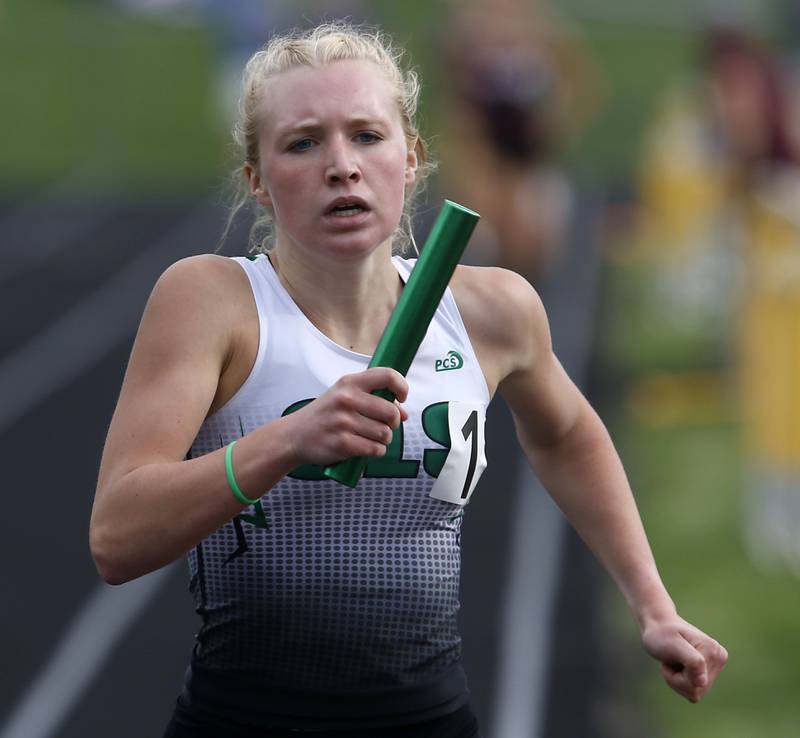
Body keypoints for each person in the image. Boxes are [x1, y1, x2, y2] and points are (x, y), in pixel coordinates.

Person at [89, 22, 728, 738]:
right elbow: (117, 536)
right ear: (257, 181)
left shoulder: (490, 311)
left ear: (412, 157)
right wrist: (287, 441)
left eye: (367, 135)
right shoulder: (212, 302)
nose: (342, 165)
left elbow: (568, 435)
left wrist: (654, 607)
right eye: (303, 142)